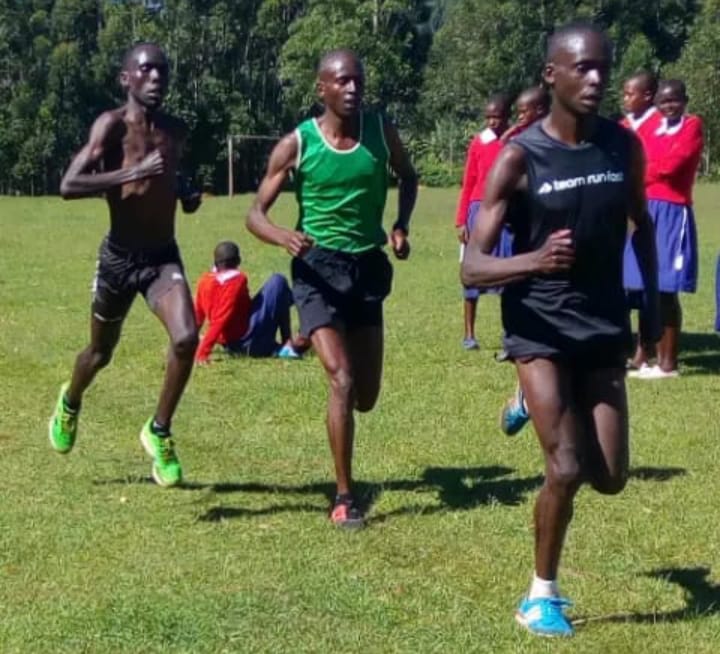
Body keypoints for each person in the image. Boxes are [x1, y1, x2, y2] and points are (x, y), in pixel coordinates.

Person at [462, 23, 660, 636]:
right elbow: (473, 263)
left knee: (610, 477)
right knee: (566, 468)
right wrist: (533, 261)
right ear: (553, 75)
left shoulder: (621, 147)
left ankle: (541, 399)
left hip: (602, 324)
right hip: (539, 324)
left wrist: (649, 306)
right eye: (583, 68)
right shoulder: (520, 157)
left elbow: (641, 226)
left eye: (604, 68)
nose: (597, 79)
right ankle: (539, 596)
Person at [246, 49, 417, 528]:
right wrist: (283, 235)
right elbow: (254, 214)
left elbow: (409, 176)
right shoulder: (297, 144)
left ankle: (346, 473)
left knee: (366, 396)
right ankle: (344, 497)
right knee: (340, 379)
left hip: (366, 268)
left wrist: (400, 225)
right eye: (341, 81)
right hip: (316, 270)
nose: (352, 88)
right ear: (320, 88)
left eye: (358, 80)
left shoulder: (382, 132)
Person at [48, 43, 201, 487]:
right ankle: (70, 401)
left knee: (187, 337)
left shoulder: (175, 130)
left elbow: (171, 181)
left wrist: (185, 194)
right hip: (118, 259)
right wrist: (127, 174)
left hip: (160, 257)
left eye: (163, 71)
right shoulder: (111, 126)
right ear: (126, 78)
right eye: (146, 70)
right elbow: (69, 184)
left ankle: (159, 431)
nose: (156, 78)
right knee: (99, 354)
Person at [624, 79, 703, 378]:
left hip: (672, 211)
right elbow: (644, 160)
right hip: (648, 209)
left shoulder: (692, 126)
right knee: (647, 285)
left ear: (684, 100)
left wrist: (644, 172)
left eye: (674, 101)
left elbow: (672, 164)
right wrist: (648, 170)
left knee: (667, 288)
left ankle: (669, 364)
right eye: (663, 102)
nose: (669, 106)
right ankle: (646, 356)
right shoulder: (655, 130)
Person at [455, 94, 512, 350]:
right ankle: (469, 335)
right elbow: (468, 181)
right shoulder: (479, 142)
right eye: (488, 117)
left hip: (507, 212)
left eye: (497, 116)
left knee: (510, 275)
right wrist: (461, 220)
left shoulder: (514, 141)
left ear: (506, 116)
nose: (492, 122)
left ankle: (510, 332)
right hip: (478, 210)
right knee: (472, 276)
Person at [194, 241, 308, 363]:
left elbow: (198, 314)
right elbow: (220, 318)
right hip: (246, 340)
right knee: (278, 281)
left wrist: (190, 340)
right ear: (238, 260)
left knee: (279, 292)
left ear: (215, 262)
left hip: (229, 343)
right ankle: (286, 343)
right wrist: (202, 353)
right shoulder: (236, 280)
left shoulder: (204, 280)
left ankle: (284, 343)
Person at [620, 71, 663, 370]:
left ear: (647, 95)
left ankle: (644, 347)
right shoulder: (621, 127)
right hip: (619, 212)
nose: (625, 98)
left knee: (647, 282)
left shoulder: (659, 126)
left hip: (647, 208)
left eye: (629, 93)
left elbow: (658, 166)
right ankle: (620, 342)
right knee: (621, 282)